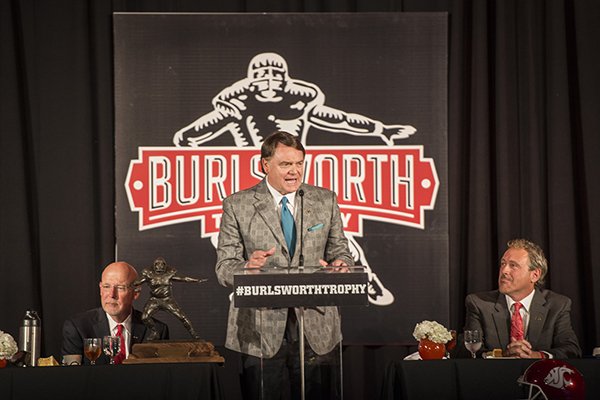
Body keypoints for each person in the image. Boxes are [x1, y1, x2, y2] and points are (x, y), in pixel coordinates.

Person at [216, 131, 354, 399]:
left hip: (317, 325)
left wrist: (341, 264)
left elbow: (341, 251)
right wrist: (247, 268)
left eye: (300, 163)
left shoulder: (324, 200)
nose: (295, 172)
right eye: (286, 164)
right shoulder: (237, 204)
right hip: (260, 329)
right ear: (265, 165)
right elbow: (224, 267)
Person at [464, 239, 581, 359]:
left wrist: (538, 355)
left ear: (534, 275)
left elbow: (571, 350)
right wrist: (503, 355)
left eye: (513, 265)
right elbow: (467, 351)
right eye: (503, 264)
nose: (504, 271)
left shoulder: (557, 305)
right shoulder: (479, 304)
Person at [61, 261, 169, 365]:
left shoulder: (156, 330)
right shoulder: (77, 327)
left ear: (136, 292)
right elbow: (71, 377)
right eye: (106, 287)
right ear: (100, 289)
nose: (112, 294)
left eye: (120, 288)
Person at [134, 257, 206, 340]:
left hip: (167, 299)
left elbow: (184, 279)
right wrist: (126, 284)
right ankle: (154, 332)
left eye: (162, 265)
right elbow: (137, 282)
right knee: (145, 317)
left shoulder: (169, 274)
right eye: (158, 264)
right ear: (154, 266)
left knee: (182, 317)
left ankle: (194, 334)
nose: (160, 267)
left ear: (165, 266)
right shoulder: (149, 275)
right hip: (154, 300)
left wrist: (196, 280)